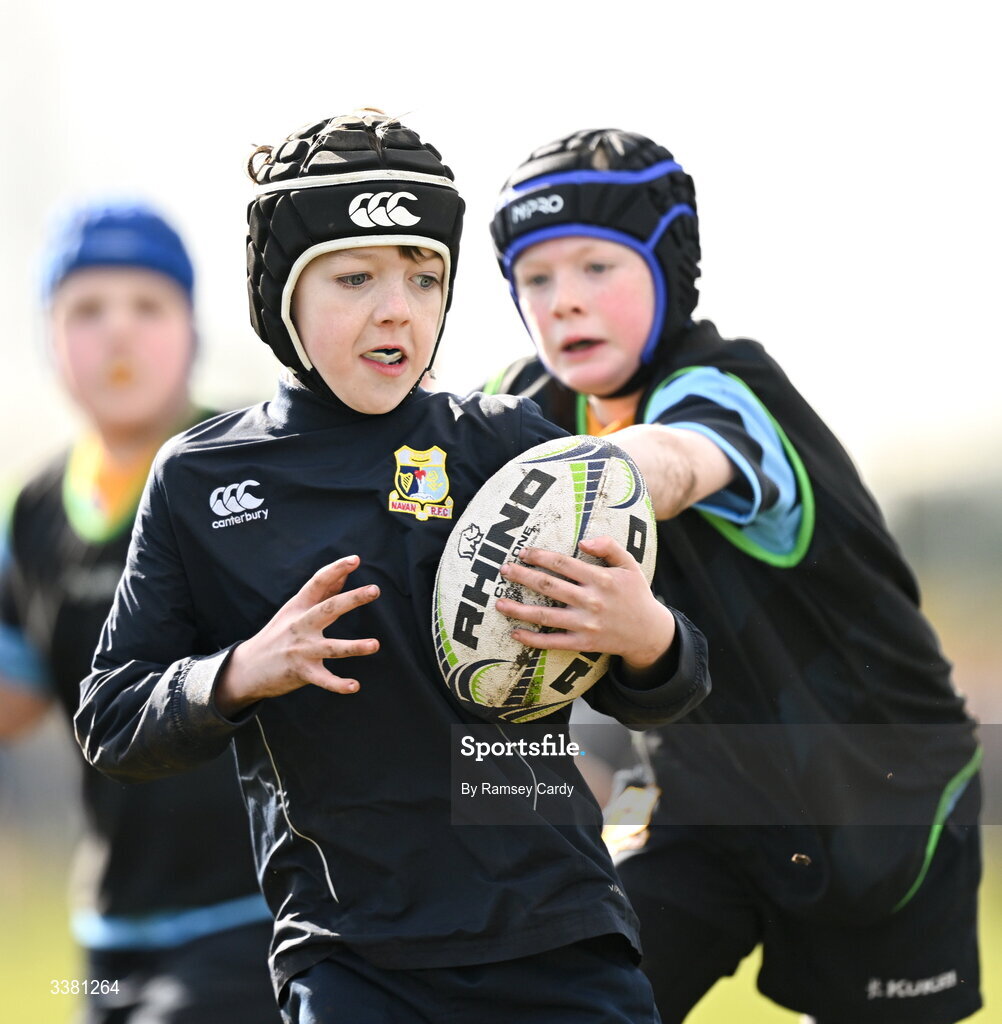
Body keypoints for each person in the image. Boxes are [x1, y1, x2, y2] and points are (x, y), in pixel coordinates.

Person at [72, 111, 711, 1024]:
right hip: (351, 965)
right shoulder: (201, 480)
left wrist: (645, 636)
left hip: (561, 942)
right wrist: (239, 672)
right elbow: (113, 717)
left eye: (425, 276)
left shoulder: (510, 451)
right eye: (354, 276)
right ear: (280, 295)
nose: (396, 309)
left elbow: (671, 683)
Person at [485, 128, 982, 1024]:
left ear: (669, 267)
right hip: (702, 805)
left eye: (598, 266)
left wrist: (590, 478)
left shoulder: (722, 387)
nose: (564, 302)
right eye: (537, 279)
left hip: (883, 800)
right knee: (577, 1005)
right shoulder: (526, 412)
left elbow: (675, 461)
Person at [0, 200, 279, 1023]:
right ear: (50, 338)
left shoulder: (255, 464)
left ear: (190, 331)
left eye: (148, 306)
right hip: (109, 941)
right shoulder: (34, 512)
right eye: (86, 310)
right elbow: (18, 700)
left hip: (261, 914)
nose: (117, 334)